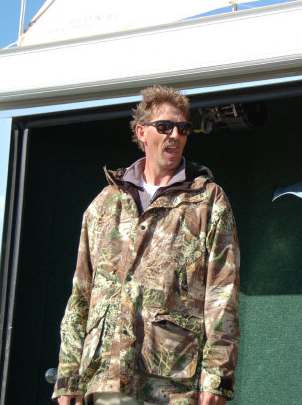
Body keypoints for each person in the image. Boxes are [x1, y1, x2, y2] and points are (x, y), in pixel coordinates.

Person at [52, 85, 240, 405]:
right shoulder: (105, 204)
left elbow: (223, 296)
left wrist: (216, 379)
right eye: (164, 127)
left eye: (183, 129)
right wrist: (68, 378)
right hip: (104, 381)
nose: (175, 135)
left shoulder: (208, 201)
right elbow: (80, 295)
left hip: (171, 385)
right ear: (142, 132)